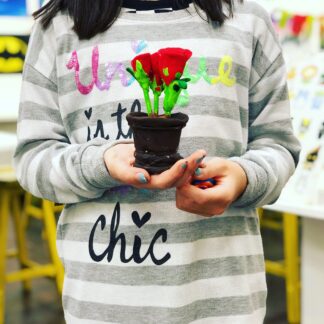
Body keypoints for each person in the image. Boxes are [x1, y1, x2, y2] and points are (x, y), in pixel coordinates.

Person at [14, 0, 301, 322]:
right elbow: (32, 159)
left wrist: (244, 177)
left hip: (223, 301)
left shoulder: (247, 21)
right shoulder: (59, 26)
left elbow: (278, 145)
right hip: (104, 301)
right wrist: (101, 163)